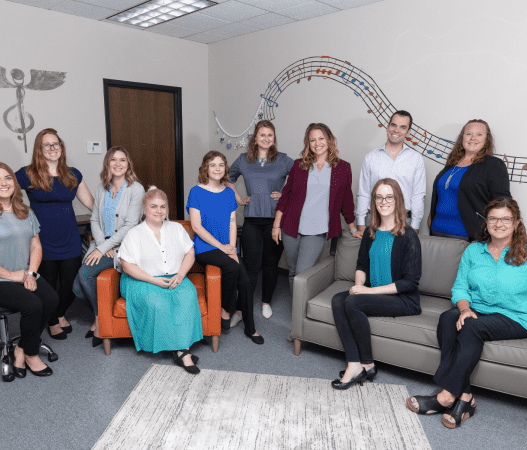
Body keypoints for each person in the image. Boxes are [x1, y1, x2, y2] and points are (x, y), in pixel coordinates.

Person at [407, 197, 527, 428]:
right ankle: (465, 397)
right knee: (448, 318)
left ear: (517, 223)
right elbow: (460, 287)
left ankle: (446, 396)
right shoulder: (474, 250)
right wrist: (464, 309)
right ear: (486, 222)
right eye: (493, 218)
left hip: (515, 316)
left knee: (472, 326)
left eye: (505, 219)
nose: (498, 223)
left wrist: (469, 316)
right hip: (477, 310)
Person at [331, 178, 422, 389]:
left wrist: (367, 292)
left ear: (397, 199)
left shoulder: (408, 236)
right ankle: (356, 364)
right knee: (338, 299)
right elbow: (361, 264)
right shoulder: (370, 233)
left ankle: (367, 363)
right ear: (374, 201)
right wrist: (358, 287)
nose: (383, 201)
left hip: (403, 299)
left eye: (389, 196)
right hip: (374, 292)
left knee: (352, 303)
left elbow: (410, 282)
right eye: (379, 197)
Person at [16, 128, 94, 340]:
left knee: (70, 283)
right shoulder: (28, 173)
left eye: (55, 144)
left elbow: (91, 204)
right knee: (48, 284)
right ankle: (53, 321)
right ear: (39, 149)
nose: (52, 148)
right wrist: (24, 210)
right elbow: (7, 192)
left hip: (69, 237)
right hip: (41, 239)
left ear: (61, 148)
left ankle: (58, 313)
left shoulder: (73, 174)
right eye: (47, 145)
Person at [118, 189, 202, 373]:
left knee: (188, 295)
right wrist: (153, 281)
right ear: (144, 208)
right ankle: (183, 352)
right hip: (140, 279)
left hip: (174, 275)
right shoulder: (134, 234)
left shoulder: (177, 229)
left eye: (163, 206)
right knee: (157, 302)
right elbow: (127, 266)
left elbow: (190, 253)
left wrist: (180, 275)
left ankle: (180, 350)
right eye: (153, 206)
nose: (159, 211)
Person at [187, 151, 264, 345]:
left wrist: (232, 249)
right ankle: (225, 308)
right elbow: (196, 227)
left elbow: (232, 222)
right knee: (232, 267)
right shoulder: (196, 192)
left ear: (225, 169)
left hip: (226, 246)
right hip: (206, 247)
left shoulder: (229, 192)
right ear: (206, 167)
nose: (217, 168)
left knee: (246, 281)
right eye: (213, 165)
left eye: (221, 165)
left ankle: (251, 328)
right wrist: (222, 247)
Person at [72, 147, 144, 347]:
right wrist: (102, 245)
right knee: (77, 288)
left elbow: (130, 226)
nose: (118, 164)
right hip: (102, 244)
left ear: (128, 164)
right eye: (114, 160)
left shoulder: (136, 189)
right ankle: (101, 315)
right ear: (107, 163)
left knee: (85, 275)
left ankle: (100, 321)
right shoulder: (101, 187)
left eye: (123, 160)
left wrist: (104, 248)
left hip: (122, 247)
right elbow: (94, 218)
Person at [273, 123, 356, 295]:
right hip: (291, 227)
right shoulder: (299, 165)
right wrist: (276, 225)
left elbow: (347, 201)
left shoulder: (343, 168)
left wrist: (354, 228)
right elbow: (285, 196)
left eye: (321, 138)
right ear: (308, 143)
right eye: (312, 140)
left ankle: (300, 312)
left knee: (303, 273)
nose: (317, 143)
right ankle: (297, 313)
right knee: (293, 271)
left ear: (330, 140)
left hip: (317, 229)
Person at [226, 120, 294, 321]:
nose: (266, 138)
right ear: (255, 138)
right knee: (250, 266)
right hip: (252, 220)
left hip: (276, 221)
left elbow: (301, 181)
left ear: (274, 139)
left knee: (271, 264)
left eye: (270, 135)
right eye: (262, 135)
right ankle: (240, 309)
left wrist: (285, 195)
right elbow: (226, 178)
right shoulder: (243, 159)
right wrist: (239, 199)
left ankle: (266, 302)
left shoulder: (283, 160)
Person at [0, 162, 58, 377]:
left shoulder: (25, 210)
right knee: (33, 305)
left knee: (51, 300)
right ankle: (32, 355)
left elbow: (36, 245)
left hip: (25, 272)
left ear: (14, 183)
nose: (3, 183)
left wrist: (31, 273)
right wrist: (11, 275)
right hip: (2, 278)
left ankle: (22, 348)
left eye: (7, 178)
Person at [429, 119, 510, 241]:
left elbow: (503, 203)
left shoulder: (493, 164)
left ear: (486, 140)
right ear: (462, 138)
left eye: (479, 134)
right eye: (468, 134)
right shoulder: (451, 164)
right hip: (437, 232)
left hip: (467, 236)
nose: (473, 138)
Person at [356, 110, 426, 238]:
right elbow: (363, 192)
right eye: (394, 125)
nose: (396, 130)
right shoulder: (370, 158)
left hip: (405, 221)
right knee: (372, 258)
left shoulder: (416, 159)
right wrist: (361, 224)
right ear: (387, 127)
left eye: (403, 127)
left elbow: (418, 194)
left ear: (408, 132)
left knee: (400, 258)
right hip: (374, 220)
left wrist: (415, 226)